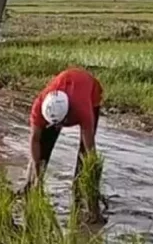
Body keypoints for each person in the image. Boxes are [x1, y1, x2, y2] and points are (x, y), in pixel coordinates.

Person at [24, 67, 104, 220]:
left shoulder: (83, 109)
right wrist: (36, 170)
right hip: (64, 87)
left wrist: (92, 181)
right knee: (44, 144)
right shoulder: (39, 107)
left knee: (84, 154)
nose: (58, 128)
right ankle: (32, 185)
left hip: (88, 90)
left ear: (68, 114)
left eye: (60, 124)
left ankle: (81, 192)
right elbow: (34, 140)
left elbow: (90, 149)